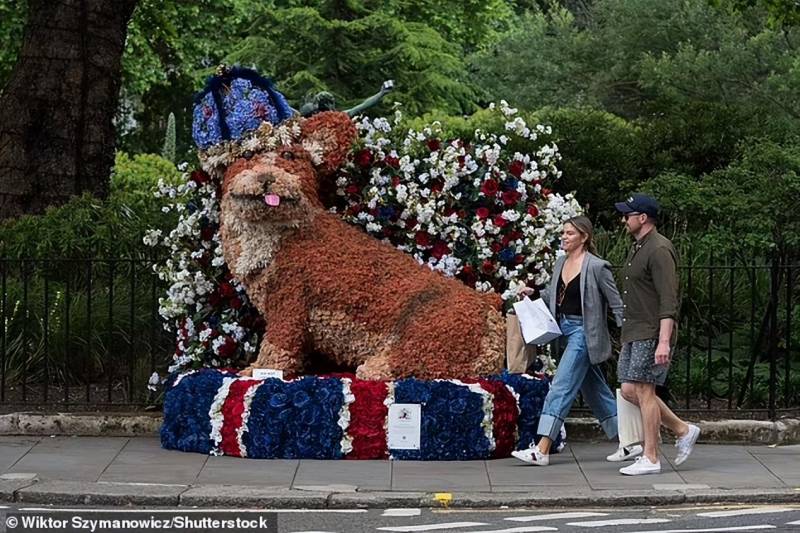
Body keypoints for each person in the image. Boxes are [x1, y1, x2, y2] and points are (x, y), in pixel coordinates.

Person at [512, 216, 641, 466]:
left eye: (570, 233)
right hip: (564, 331)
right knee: (594, 390)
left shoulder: (597, 266)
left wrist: (629, 337)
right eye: (563, 232)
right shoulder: (561, 262)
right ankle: (628, 443)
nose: (564, 237)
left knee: (561, 385)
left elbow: (616, 303)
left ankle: (542, 447)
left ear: (584, 237)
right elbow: (556, 295)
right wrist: (535, 293)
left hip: (585, 333)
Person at [614, 194, 700, 476]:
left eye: (628, 215)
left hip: (651, 331)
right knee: (629, 390)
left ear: (642, 218)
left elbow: (668, 299)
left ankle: (651, 457)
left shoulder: (660, 249)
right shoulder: (638, 247)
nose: (623, 219)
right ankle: (682, 429)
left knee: (644, 390)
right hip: (634, 330)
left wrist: (664, 340)